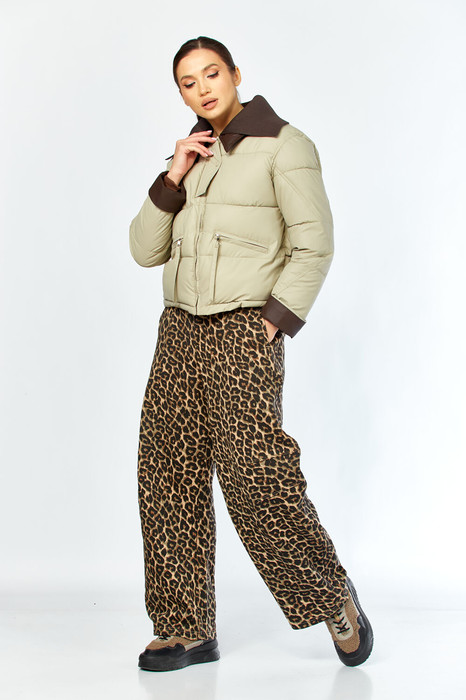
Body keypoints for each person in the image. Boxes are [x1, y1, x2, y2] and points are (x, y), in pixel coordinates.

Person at [129, 35, 374, 673]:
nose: (202, 89)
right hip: (178, 331)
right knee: (166, 473)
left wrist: (273, 322)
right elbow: (144, 250)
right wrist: (173, 174)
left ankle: (331, 596)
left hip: (244, 329)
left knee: (256, 477)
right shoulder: (192, 155)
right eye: (188, 82)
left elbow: (314, 242)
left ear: (236, 74)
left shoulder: (285, 146)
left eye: (212, 74)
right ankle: (185, 628)